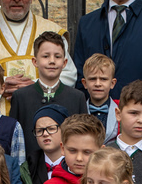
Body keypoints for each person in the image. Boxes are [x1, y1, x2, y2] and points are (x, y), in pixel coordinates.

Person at [9, 31, 87, 166]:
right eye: (46, 56)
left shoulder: (77, 97)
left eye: (57, 56)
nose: (52, 61)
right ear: (35, 61)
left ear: (64, 62)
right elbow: (15, 139)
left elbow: (83, 138)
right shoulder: (20, 97)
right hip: (30, 171)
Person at [29, 103, 68, 184]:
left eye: (51, 129)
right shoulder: (29, 166)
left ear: (64, 130)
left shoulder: (76, 164)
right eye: (39, 130)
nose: (45, 134)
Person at [81, 53, 119, 141]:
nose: (98, 84)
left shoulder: (120, 111)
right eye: (92, 79)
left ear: (112, 83)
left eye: (103, 79)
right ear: (85, 83)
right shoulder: (79, 110)